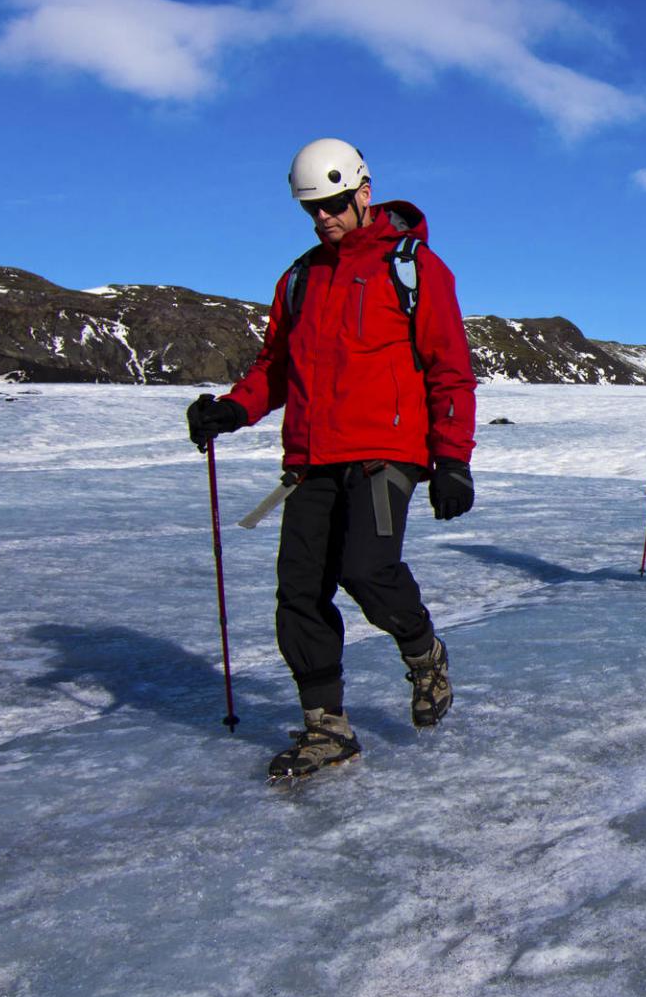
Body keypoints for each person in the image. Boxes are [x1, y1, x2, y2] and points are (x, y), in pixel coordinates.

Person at [186, 138, 476, 781]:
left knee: (368, 571)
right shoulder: (299, 280)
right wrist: (234, 410)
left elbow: (451, 370)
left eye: (336, 204)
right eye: (312, 208)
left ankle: (423, 650)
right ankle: (326, 727)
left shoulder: (416, 268)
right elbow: (275, 369)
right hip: (312, 459)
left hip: (385, 456)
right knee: (299, 591)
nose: (324, 218)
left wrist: (452, 460)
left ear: (364, 194)